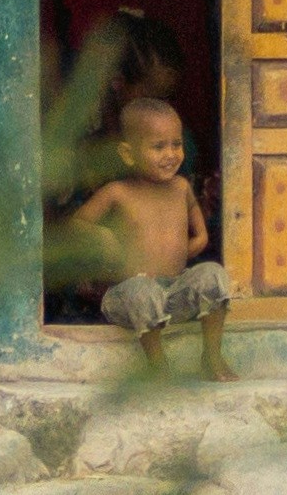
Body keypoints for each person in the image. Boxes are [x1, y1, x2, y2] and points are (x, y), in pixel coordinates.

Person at [45, 79, 232, 339]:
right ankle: (158, 367)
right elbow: (77, 223)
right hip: (129, 294)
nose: (170, 154)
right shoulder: (117, 191)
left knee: (213, 274)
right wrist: (107, 242)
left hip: (174, 291)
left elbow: (200, 236)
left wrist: (173, 259)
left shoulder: (181, 187)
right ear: (128, 154)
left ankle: (212, 357)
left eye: (176, 144)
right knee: (142, 292)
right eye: (158, 147)